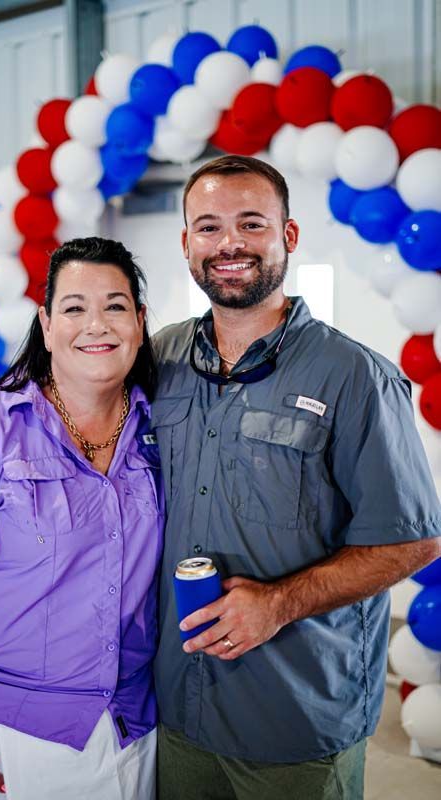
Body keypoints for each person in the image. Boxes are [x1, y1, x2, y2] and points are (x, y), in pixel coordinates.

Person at [151, 155, 441, 800]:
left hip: (293, 716)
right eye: (209, 227)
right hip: (175, 704)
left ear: (289, 235)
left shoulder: (355, 376)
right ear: (186, 244)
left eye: (251, 224)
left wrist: (278, 603)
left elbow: (413, 542)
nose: (229, 244)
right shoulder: (158, 358)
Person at [0, 237, 164, 800]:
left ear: (139, 322)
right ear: (46, 325)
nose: (95, 324)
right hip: (3, 738)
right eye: (74, 308)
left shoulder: (161, 428)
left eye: (115, 306)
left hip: (133, 730)